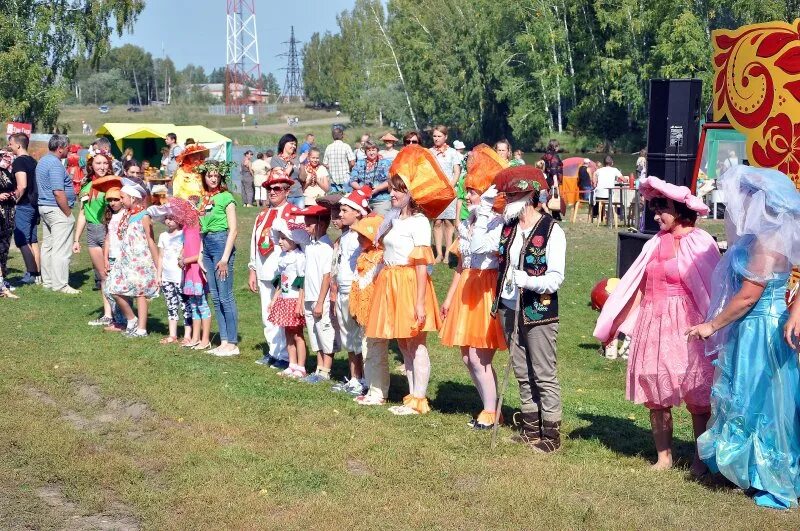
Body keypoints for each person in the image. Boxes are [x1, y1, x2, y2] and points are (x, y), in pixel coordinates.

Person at [687, 166, 800, 510]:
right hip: (753, 327)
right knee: (748, 397)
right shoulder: (761, 239)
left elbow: (749, 296)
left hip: (760, 329)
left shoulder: (767, 244)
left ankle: (767, 474)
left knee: (759, 399)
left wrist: (711, 325)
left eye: (749, 198)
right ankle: (743, 468)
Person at [594, 177, 720, 473]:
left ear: (679, 208)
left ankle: (700, 460)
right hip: (654, 321)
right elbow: (638, 284)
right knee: (655, 389)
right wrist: (619, 319)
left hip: (687, 324)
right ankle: (664, 457)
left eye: (661, 209)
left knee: (695, 391)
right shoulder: (654, 243)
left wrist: (714, 326)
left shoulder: (700, 241)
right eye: (654, 209)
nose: (655, 215)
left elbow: (712, 287)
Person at [365, 145, 453, 415]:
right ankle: (412, 394)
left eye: (398, 190)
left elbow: (420, 265)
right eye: (391, 188)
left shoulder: (419, 222)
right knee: (403, 342)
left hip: (409, 283)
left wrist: (418, 303)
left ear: (410, 194)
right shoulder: (394, 220)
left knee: (416, 342)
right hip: (391, 281)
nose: (392, 193)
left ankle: (419, 398)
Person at [491, 165, 566, 452]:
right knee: (521, 369)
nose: (507, 200)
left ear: (528, 196)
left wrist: (528, 280)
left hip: (539, 310)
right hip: (510, 307)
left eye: (512, 195)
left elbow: (556, 278)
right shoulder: (509, 226)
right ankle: (531, 429)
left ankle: (551, 436)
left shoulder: (552, 231)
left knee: (543, 373)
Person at [440, 144, 509, 429]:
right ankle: (490, 407)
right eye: (467, 191)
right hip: (468, 287)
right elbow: (461, 265)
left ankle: (491, 413)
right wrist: (448, 298)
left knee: (480, 356)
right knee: (468, 357)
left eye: (472, 192)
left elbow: (493, 255)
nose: (467, 197)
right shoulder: (467, 222)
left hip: (486, 288)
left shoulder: (495, 222)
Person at [248, 169, 294, 369]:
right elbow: (254, 241)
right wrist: (252, 268)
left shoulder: (291, 212)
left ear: (286, 191)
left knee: (282, 313)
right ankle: (274, 351)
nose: (272, 192)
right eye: (269, 188)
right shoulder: (262, 215)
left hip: (282, 272)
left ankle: (285, 355)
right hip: (263, 269)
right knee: (267, 313)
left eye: (276, 188)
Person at [330, 187, 373, 393]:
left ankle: (365, 379)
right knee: (348, 337)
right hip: (343, 291)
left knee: (359, 337)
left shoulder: (362, 235)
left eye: (345, 210)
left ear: (357, 212)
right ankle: (355, 378)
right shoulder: (346, 236)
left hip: (357, 292)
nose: (340, 214)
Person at [105, 178, 159, 337]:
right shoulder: (126, 216)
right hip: (126, 260)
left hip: (141, 260)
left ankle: (141, 328)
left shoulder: (144, 215)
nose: (120, 200)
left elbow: (151, 240)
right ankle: (132, 319)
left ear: (133, 198)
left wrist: (158, 266)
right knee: (113, 288)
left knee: (140, 293)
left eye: (122, 198)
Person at [197, 160, 239, 356]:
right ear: (204, 177)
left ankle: (232, 342)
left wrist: (224, 258)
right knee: (215, 296)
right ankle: (222, 341)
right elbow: (200, 229)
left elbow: (234, 229)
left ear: (221, 176)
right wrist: (199, 255)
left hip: (222, 244)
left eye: (216, 175)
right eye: (209, 175)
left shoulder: (226, 197)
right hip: (207, 246)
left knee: (225, 296)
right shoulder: (203, 199)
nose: (213, 178)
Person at [349, 214, 389, 406]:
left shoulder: (381, 258)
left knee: (376, 352)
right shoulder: (363, 256)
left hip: (377, 312)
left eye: (363, 236)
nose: (358, 239)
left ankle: (379, 392)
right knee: (367, 350)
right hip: (365, 315)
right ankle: (372, 387)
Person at [74, 152, 117, 322]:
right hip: (92, 234)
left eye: (105, 163)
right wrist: (76, 239)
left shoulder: (114, 184)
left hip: (109, 232)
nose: (102, 166)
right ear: (91, 165)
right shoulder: (86, 186)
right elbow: (83, 214)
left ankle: (120, 313)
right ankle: (108, 315)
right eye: (98, 163)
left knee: (114, 274)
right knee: (102, 275)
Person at [297, 204, 336, 384]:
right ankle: (319, 368)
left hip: (321, 298)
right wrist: (303, 297)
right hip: (310, 297)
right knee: (315, 334)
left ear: (320, 224)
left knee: (325, 333)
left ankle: (326, 370)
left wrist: (320, 302)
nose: (305, 227)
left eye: (309, 224)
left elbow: (327, 276)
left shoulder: (326, 247)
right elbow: (306, 274)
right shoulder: (311, 246)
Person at [37, 134, 80, 294]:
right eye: (67, 147)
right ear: (60, 148)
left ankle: (48, 281)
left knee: (48, 246)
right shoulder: (55, 164)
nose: (69, 150)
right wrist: (68, 213)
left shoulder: (43, 160)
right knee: (61, 249)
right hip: (56, 208)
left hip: (45, 207)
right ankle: (60, 285)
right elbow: (58, 191)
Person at [268, 212, 308, 378]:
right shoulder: (282, 257)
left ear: (294, 240)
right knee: (287, 333)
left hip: (294, 300)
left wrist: (300, 302)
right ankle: (291, 364)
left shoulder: (299, 258)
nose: (280, 241)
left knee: (298, 334)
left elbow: (301, 281)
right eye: (279, 238)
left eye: (284, 238)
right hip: (284, 299)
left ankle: (301, 366)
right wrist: (274, 299)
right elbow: (280, 281)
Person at [8, 133, 40, 285]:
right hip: (34, 204)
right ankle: (37, 272)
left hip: (24, 205)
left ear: (18, 145)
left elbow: (22, 185)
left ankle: (31, 273)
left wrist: (13, 201)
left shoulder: (19, 162)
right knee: (32, 240)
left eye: (11, 144)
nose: (10, 147)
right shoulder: (33, 161)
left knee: (21, 239)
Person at [156, 211, 192, 345]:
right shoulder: (163, 236)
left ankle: (188, 335)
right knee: (171, 305)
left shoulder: (184, 234)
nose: (169, 221)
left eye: (172, 218)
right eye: (166, 218)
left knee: (185, 305)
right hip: (166, 277)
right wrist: (159, 275)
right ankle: (172, 335)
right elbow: (160, 257)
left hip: (180, 277)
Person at [429, 125, 462, 264]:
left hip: (449, 191)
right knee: (436, 222)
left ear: (445, 137)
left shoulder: (453, 152)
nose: (436, 138)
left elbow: (457, 172)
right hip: (434, 191)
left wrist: (449, 187)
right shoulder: (429, 152)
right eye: (435, 136)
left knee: (449, 222)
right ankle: (438, 253)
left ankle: (448, 253)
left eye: (439, 136)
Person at [101, 185, 127, 332]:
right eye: (110, 200)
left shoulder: (126, 215)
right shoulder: (111, 216)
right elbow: (108, 239)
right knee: (108, 290)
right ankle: (120, 319)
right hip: (111, 257)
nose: (112, 203)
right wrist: (105, 258)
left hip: (123, 258)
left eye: (116, 199)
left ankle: (124, 321)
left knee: (119, 290)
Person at [350, 140, 392, 216]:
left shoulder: (385, 163)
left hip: (381, 200)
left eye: (373, 150)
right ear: (365, 152)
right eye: (369, 150)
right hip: (362, 200)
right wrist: (361, 190)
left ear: (377, 150)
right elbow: (353, 180)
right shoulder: (359, 163)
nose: (371, 152)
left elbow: (390, 181)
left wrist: (377, 189)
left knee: (378, 222)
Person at [0, 150, 17, 297]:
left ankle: (2, 280)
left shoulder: (7, 172)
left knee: (4, 246)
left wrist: (12, 194)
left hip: (8, 213)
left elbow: (15, 187)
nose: (6, 159)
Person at [271, 134, 303, 208]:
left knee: (300, 218)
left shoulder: (297, 159)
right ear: (284, 143)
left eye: (295, 144)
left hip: (298, 195)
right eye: (291, 143)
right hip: (284, 195)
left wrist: (302, 163)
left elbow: (302, 178)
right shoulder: (276, 159)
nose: (294, 146)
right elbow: (281, 177)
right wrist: (291, 164)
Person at [323, 126, 356, 194]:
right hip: (345, 178)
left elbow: (325, 163)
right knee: (347, 200)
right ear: (342, 135)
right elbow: (352, 163)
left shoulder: (328, 147)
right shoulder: (346, 146)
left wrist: (332, 167)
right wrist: (349, 168)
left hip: (333, 180)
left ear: (332, 136)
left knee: (336, 201)